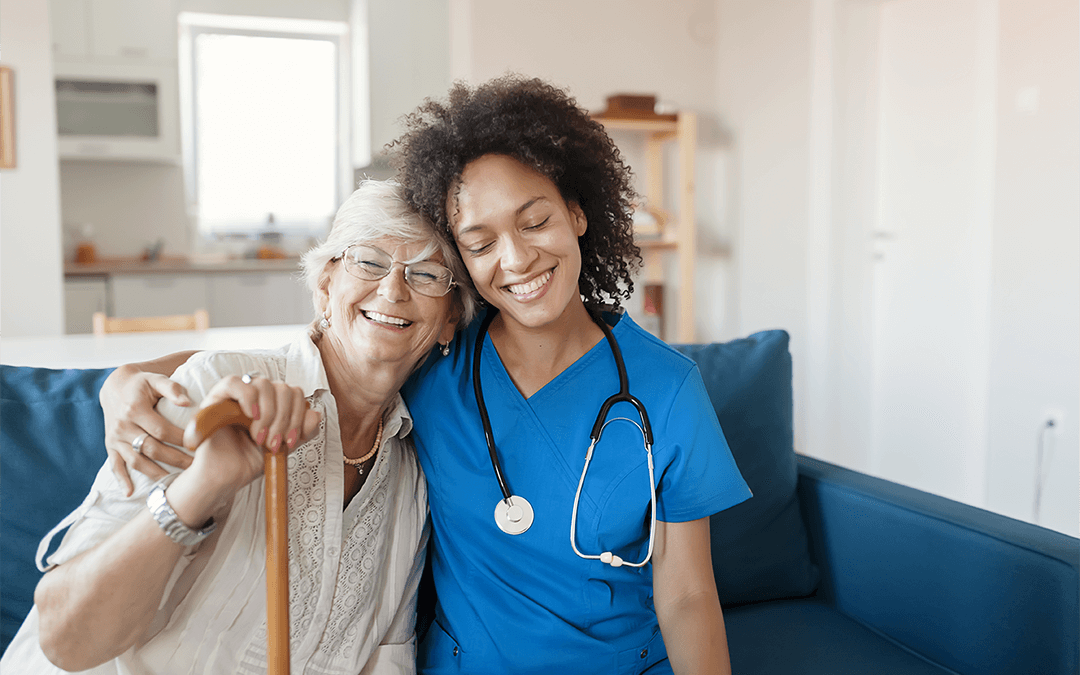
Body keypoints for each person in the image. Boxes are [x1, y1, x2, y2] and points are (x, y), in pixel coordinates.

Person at [93, 75, 752, 675]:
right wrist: (124, 377)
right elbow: (312, 353)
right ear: (462, 259)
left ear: (577, 213)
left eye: (536, 221)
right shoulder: (436, 358)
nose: (517, 258)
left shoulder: (667, 390)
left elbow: (689, 594)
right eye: (481, 240)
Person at [1, 180, 478, 674]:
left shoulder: (414, 472)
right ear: (324, 287)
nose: (393, 289)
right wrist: (203, 485)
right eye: (369, 261)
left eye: (426, 274)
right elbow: (63, 640)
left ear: (448, 320)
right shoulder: (212, 387)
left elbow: (384, 660)